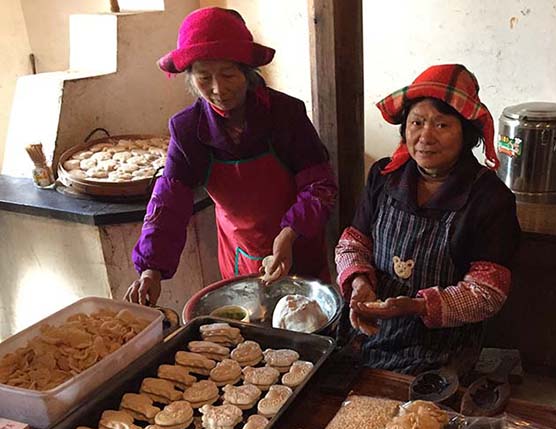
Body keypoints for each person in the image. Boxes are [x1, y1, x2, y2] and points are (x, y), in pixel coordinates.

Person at [126, 7, 336, 305]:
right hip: (239, 257)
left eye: (228, 74)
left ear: (247, 72)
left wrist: (290, 233)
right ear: (190, 78)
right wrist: (151, 268)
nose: (217, 89)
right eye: (203, 78)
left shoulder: (286, 115)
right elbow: (168, 202)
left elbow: (320, 186)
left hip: (297, 245)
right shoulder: (187, 130)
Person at [335, 64, 520, 375]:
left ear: (466, 133)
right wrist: (359, 283)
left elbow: (487, 292)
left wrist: (418, 306)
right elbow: (353, 243)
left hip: (440, 348)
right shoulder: (384, 176)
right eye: (416, 122)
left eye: (442, 125)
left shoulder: (490, 198)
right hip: (368, 328)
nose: (425, 137)